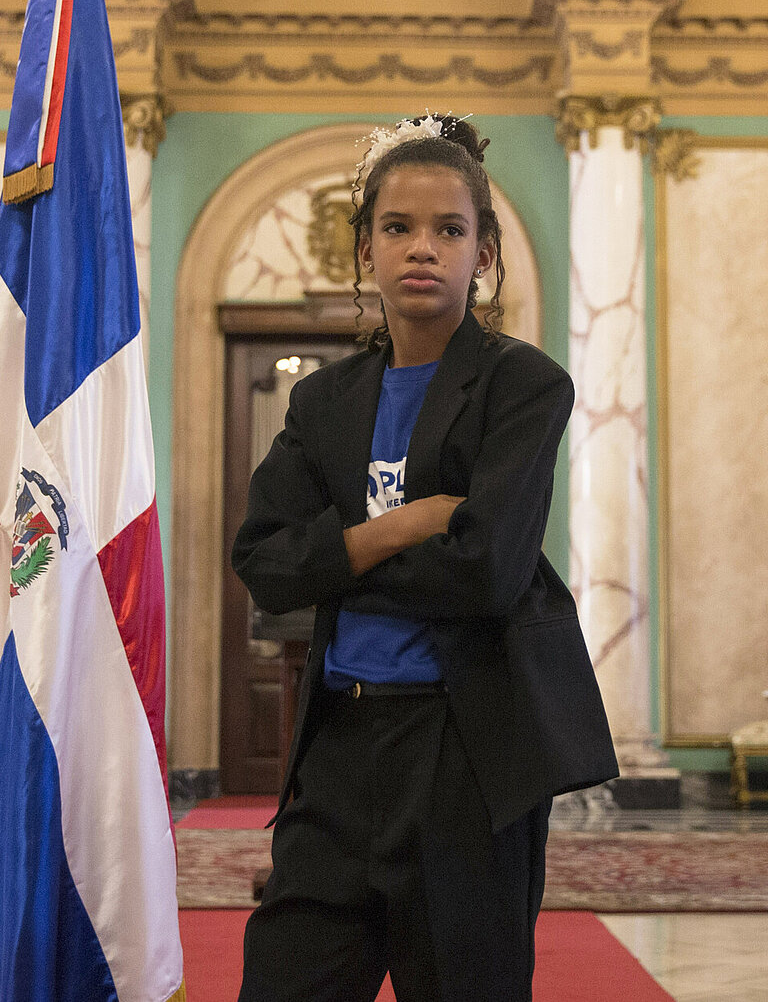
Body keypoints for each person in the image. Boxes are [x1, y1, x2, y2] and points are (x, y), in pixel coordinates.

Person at [232, 114, 618, 1002]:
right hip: (337, 753)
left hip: (464, 756)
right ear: (364, 247)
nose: (423, 248)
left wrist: (334, 552)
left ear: (483, 253)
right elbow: (263, 562)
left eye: (451, 229)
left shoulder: (524, 386)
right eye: (398, 227)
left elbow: (486, 571)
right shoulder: (323, 402)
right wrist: (398, 528)